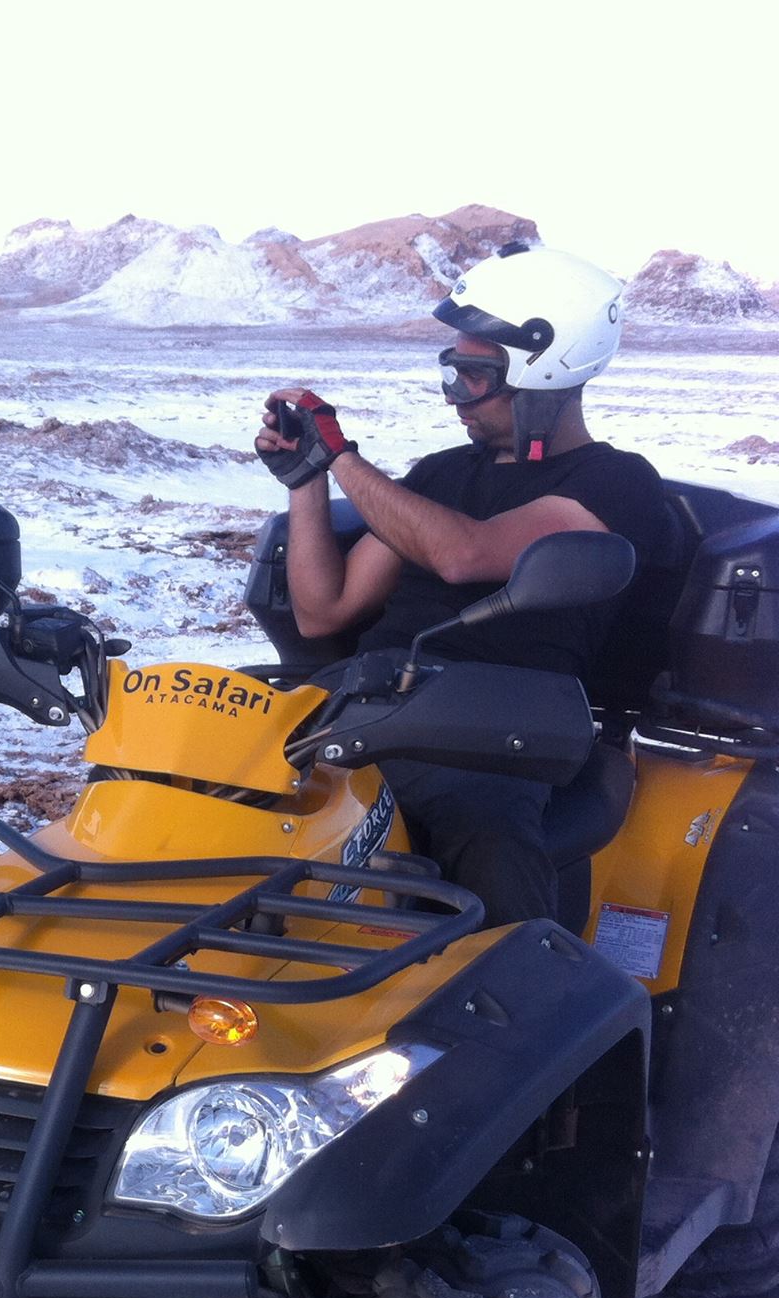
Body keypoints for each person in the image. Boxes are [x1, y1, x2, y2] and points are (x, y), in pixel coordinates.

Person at [256, 244, 677, 926]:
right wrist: (307, 481)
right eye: (450, 372)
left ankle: (522, 1004)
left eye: (473, 376)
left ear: (544, 373)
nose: (456, 398)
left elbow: (462, 554)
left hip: (503, 729)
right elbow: (323, 609)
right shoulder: (440, 474)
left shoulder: (615, 482)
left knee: (487, 844)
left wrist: (342, 457)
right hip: (374, 704)